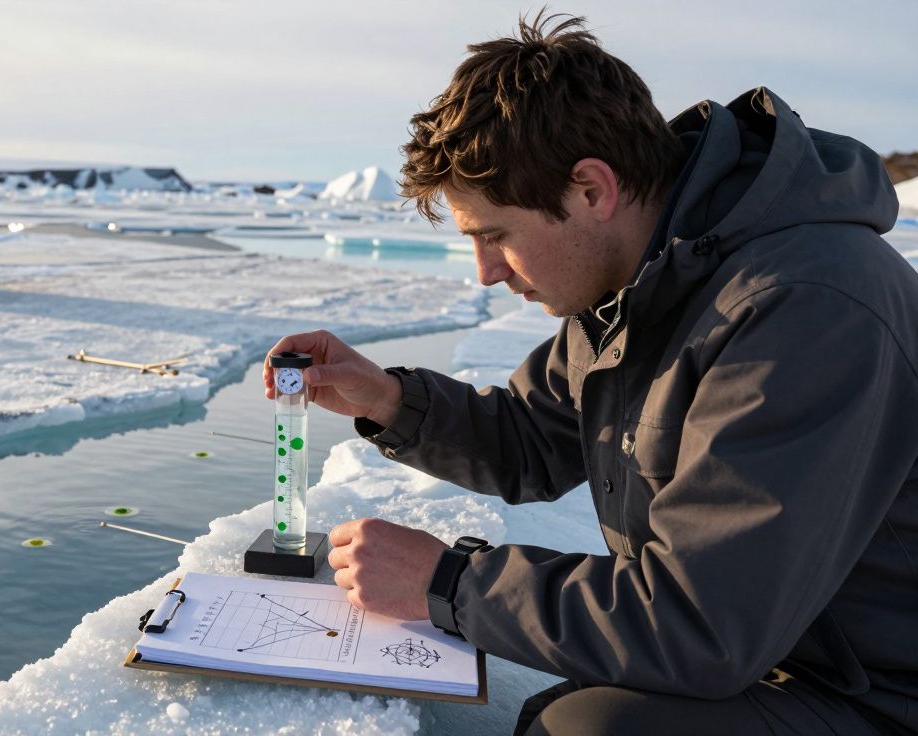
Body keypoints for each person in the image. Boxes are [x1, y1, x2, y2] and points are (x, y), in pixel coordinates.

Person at [263, 12, 918, 736]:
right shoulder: (644, 284)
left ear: (590, 190)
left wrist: (446, 582)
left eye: (495, 236)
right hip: (783, 655)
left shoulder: (804, 309)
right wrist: (386, 398)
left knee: (589, 730)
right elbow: (530, 439)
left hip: (878, 694)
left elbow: (703, 623)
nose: (483, 274)